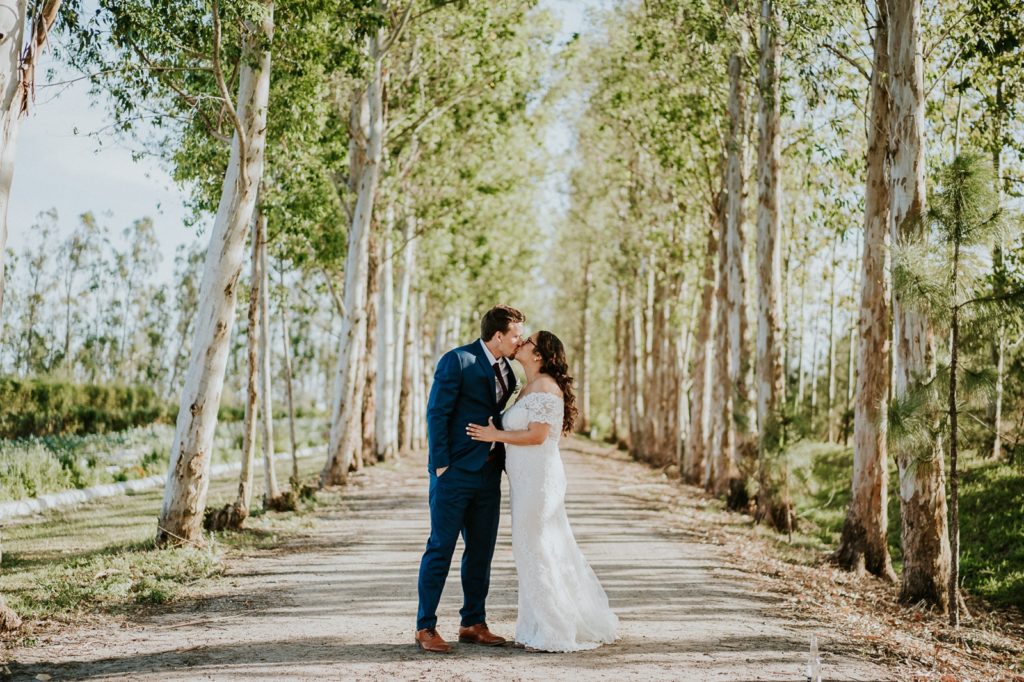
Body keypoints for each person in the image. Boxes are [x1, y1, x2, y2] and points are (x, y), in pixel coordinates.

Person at [467, 330, 618, 652]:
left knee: (536, 549)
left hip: (539, 481)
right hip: (524, 480)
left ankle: (553, 630)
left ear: (539, 354)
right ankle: (535, 626)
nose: (520, 342)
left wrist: (495, 434)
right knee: (532, 550)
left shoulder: (547, 387)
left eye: (528, 341)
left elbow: (537, 436)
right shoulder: (527, 388)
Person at [414, 304, 525, 653]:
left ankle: (473, 622)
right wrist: (441, 465)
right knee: (441, 549)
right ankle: (425, 627)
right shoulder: (457, 360)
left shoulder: (507, 369)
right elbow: (437, 412)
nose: (520, 341)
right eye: (516, 335)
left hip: (489, 475)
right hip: (455, 473)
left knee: (481, 552)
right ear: (497, 336)